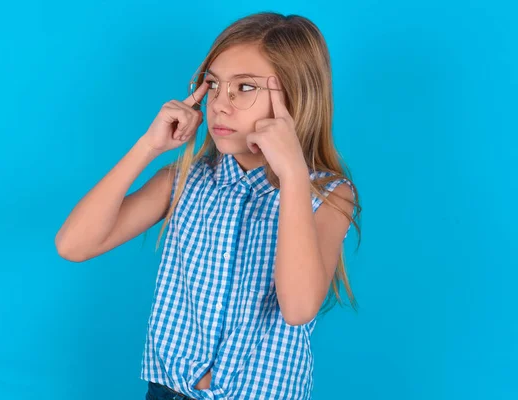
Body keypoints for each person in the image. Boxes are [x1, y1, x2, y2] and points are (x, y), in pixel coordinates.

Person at [55, 11, 361, 400]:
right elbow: (72, 245)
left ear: (295, 96)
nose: (220, 104)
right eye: (214, 85)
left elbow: (298, 308)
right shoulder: (183, 181)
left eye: (245, 87)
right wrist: (148, 147)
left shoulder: (327, 194)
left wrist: (294, 176)